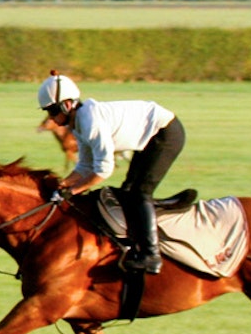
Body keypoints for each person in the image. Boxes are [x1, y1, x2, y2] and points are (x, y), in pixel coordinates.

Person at [37, 70, 185, 275]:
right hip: (152, 135)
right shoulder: (78, 123)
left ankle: (151, 256)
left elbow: (104, 169)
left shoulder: (89, 122)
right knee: (127, 192)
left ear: (68, 105)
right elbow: (85, 166)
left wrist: (75, 190)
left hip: (165, 133)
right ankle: (135, 246)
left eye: (53, 111)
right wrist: (63, 184)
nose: (51, 118)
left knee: (140, 193)